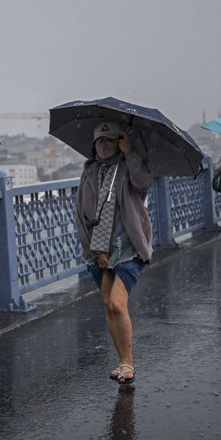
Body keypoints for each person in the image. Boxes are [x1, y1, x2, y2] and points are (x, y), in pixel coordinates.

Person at [76, 121, 156, 385]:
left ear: (118, 143)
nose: (105, 146)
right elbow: (81, 213)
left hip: (128, 247)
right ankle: (122, 360)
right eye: (100, 141)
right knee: (109, 306)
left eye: (110, 141)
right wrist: (94, 249)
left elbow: (144, 183)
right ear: (94, 146)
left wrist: (131, 152)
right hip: (99, 249)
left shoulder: (128, 166)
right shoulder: (89, 171)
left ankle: (127, 362)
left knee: (118, 303)